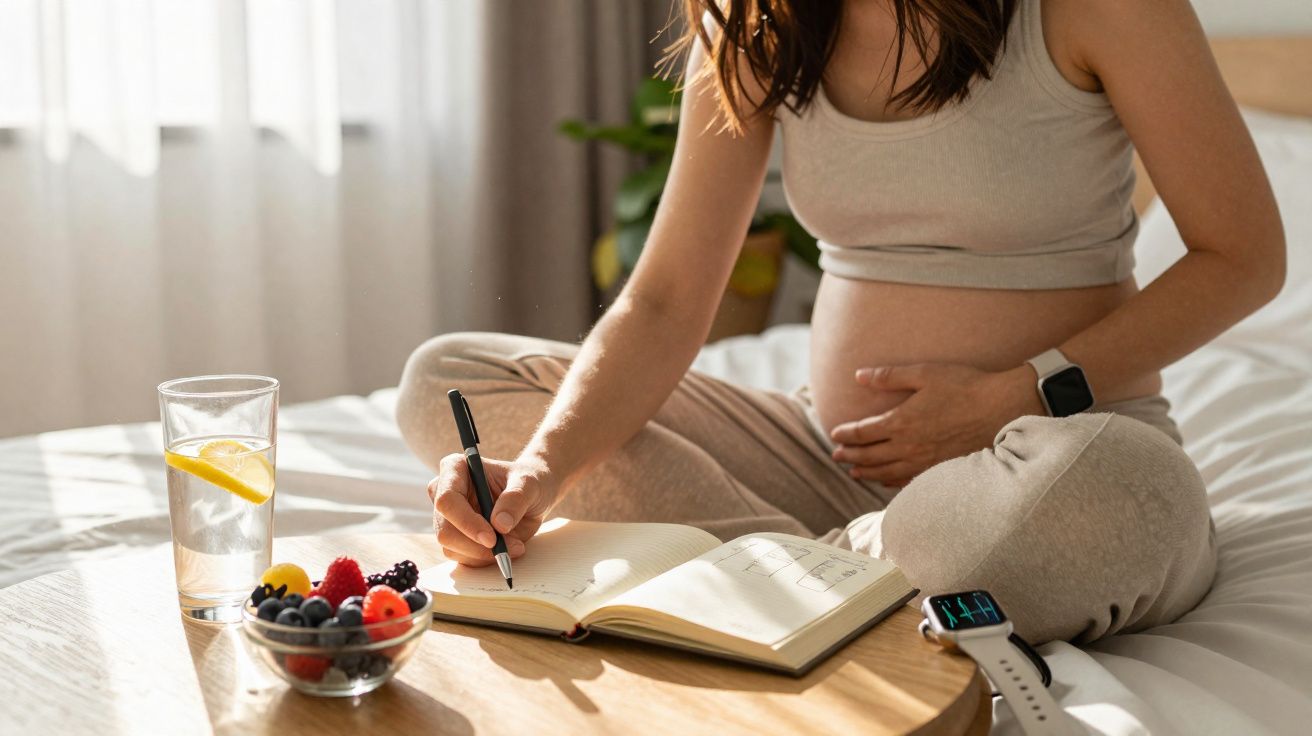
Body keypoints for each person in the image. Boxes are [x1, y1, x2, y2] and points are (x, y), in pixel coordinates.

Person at [396, 0, 1284, 643]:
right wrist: (540, 476)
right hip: (826, 463)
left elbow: (1244, 255)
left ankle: (789, 571)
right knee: (449, 380)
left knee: (1125, 495)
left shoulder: (1098, 9)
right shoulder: (756, 26)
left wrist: (1012, 395)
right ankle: (840, 572)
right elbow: (665, 302)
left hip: (1045, 461)